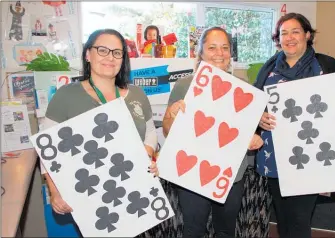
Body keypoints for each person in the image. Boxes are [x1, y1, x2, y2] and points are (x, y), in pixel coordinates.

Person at [253, 13, 335, 238]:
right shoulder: (268, 68)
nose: (289, 38)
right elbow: (254, 105)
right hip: (275, 156)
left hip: (311, 156)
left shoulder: (325, 65)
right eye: (284, 33)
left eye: (295, 32)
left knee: (300, 220)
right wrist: (259, 117)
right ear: (277, 38)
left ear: (307, 35)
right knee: (282, 219)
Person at [40, 29, 159, 219]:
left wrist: (145, 156)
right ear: (88, 54)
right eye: (102, 50)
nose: (110, 57)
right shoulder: (66, 96)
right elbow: (47, 150)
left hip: (136, 191)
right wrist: (55, 191)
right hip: (90, 196)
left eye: (117, 52)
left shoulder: (137, 94)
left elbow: (151, 132)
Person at [162, 26, 264, 238]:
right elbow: (167, 130)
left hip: (231, 174)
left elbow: (246, 131)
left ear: (230, 53)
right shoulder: (184, 85)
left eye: (225, 48)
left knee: (225, 230)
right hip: (192, 172)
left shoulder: (243, 88)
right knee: (194, 230)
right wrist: (172, 114)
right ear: (201, 53)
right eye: (212, 48)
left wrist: (254, 138)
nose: (220, 53)